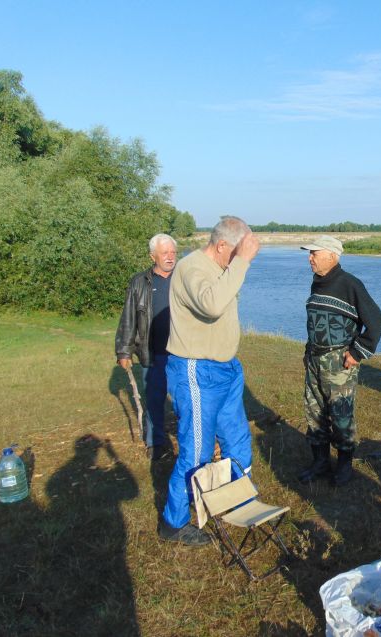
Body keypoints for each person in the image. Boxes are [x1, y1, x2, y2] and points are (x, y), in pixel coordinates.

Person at [158, 216, 260, 546]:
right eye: (238, 251)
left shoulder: (220, 268)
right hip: (197, 371)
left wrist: (239, 261)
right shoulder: (191, 269)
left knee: (238, 441)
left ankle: (234, 501)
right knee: (196, 453)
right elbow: (213, 305)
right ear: (221, 246)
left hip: (227, 369)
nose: (243, 258)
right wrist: (242, 261)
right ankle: (173, 523)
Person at [298, 235, 381, 487]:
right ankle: (320, 462)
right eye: (310, 253)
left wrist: (358, 353)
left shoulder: (350, 284)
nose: (310, 257)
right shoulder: (318, 283)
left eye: (314, 252)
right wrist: (308, 351)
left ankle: (345, 465)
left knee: (341, 413)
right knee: (314, 412)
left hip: (339, 363)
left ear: (332, 256)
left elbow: (376, 320)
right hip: (314, 360)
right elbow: (315, 323)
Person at [115, 233, 178, 460]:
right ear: (153, 256)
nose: (170, 257)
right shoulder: (139, 282)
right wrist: (124, 350)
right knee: (154, 400)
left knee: (185, 401)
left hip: (182, 354)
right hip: (152, 354)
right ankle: (155, 442)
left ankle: (190, 440)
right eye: (165, 253)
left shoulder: (185, 278)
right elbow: (129, 318)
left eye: (173, 253)